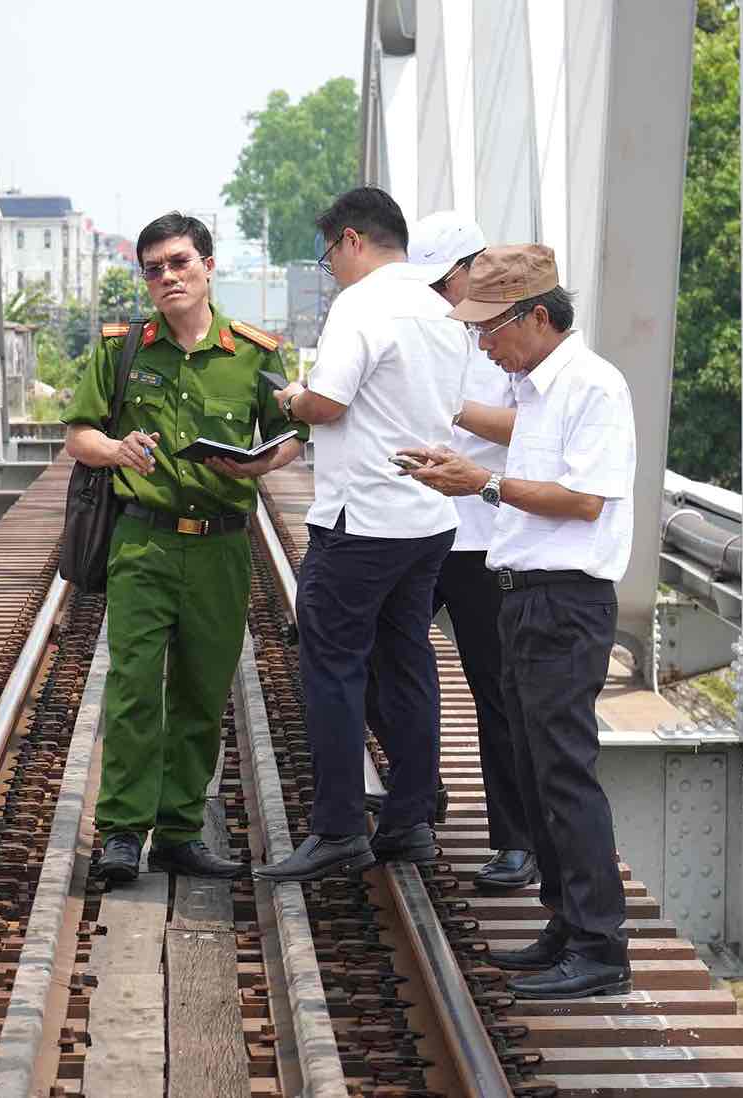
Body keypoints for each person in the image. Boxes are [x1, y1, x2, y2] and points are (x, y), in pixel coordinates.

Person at [398, 243, 636, 999]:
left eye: (490, 328)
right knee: (534, 770)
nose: (483, 345)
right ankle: (565, 923)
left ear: (536, 315)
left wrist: (484, 484)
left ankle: (601, 945)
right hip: (525, 592)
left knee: (564, 771)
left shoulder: (593, 386)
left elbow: (584, 500)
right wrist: (461, 480)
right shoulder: (533, 390)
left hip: (566, 598)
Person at [61, 212, 306, 882]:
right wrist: (115, 449)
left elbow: (293, 434)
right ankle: (120, 831)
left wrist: (262, 464)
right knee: (136, 686)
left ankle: (177, 831)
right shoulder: (125, 349)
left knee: (204, 689)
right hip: (143, 539)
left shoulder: (253, 353)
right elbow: (78, 433)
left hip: (222, 549)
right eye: (154, 268)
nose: (167, 277)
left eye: (179, 262)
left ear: (208, 266)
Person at [253, 187, 468, 883]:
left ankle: (340, 826)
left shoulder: (363, 304)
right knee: (407, 665)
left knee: (334, 669)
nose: (332, 270)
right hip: (429, 520)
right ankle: (409, 818)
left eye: (329, 256)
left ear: (351, 240)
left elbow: (328, 402)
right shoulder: (443, 309)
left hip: (364, 520)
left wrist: (289, 396)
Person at [369, 211, 535, 891]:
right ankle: (418, 785)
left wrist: (453, 409)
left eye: (450, 280)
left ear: (474, 267)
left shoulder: (511, 335)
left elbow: (533, 424)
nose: (444, 294)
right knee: (363, 652)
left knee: (496, 691)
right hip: (418, 528)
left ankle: (516, 840)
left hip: (485, 543)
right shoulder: (424, 327)